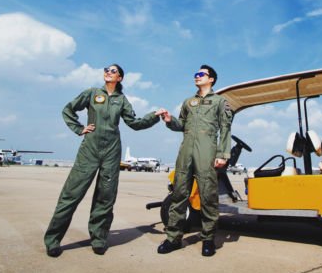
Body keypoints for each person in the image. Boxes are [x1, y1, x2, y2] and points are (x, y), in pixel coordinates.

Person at [44, 64, 165, 257]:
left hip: (111, 151)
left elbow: (134, 123)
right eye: (106, 69)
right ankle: (52, 240)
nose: (108, 72)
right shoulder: (92, 93)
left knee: (105, 197)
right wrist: (78, 128)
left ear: (120, 78)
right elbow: (68, 109)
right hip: (89, 150)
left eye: (113, 71)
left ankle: (99, 239)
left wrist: (154, 116)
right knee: (71, 195)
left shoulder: (121, 99)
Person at [157, 64, 233, 257]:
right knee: (179, 193)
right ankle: (173, 238)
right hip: (186, 149)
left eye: (201, 74)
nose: (196, 77)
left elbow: (225, 128)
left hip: (207, 149)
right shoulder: (188, 102)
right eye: (195, 74)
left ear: (211, 79)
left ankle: (208, 239)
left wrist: (223, 154)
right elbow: (181, 125)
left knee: (208, 195)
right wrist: (169, 119)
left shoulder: (219, 102)